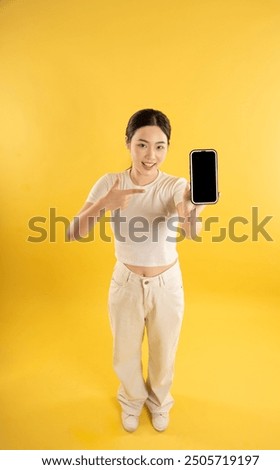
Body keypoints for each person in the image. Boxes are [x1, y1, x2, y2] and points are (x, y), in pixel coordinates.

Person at [67, 109, 205, 432]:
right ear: (128, 143)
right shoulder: (110, 183)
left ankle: (159, 402)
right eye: (142, 144)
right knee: (125, 351)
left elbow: (192, 232)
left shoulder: (176, 185)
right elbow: (74, 231)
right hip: (126, 283)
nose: (151, 155)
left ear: (168, 148)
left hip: (167, 285)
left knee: (163, 351)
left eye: (160, 146)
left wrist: (192, 210)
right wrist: (105, 203)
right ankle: (131, 401)